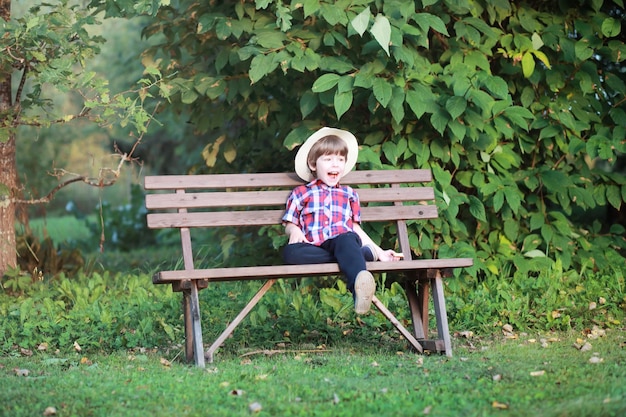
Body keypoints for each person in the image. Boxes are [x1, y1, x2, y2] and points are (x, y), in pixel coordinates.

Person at [281, 127, 402, 314]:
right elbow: (289, 223)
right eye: (328, 159)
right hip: (313, 246)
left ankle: (358, 290)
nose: (335, 165)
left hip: (342, 241)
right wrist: (295, 230)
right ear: (313, 164)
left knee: (347, 239)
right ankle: (360, 255)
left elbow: (355, 228)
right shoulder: (301, 193)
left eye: (340, 160)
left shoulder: (349, 194)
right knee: (290, 253)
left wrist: (381, 252)